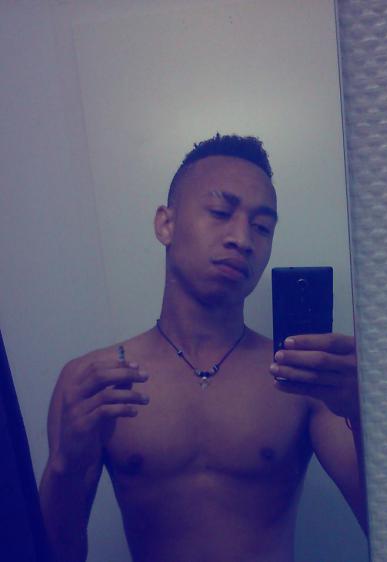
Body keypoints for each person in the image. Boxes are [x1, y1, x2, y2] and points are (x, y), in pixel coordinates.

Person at [39, 134, 366, 562]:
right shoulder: (96, 383)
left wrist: (363, 414)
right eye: (220, 212)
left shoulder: (301, 378)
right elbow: (53, 554)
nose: (242, 239)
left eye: (262, 227)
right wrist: (64, 465)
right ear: (166, 224)